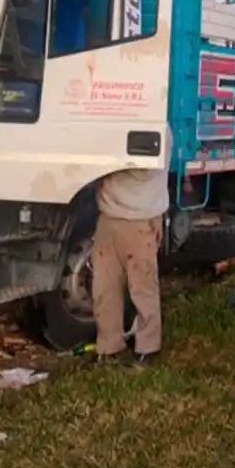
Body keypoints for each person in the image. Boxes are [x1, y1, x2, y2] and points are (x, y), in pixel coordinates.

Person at [91, 130, 171, 367]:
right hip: (108, 217)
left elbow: (141, 169)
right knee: (104, 287)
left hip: (140, 219)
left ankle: (148, 347)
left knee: (142, 288)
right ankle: (109, 347)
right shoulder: (116, 123)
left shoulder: (158, 130)